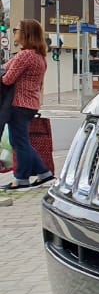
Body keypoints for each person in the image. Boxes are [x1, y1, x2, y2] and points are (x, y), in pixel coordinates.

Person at [2, 19, 54, 190]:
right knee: (20, 141)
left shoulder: (25, 55)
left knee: (19, 143)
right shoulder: (40, 57)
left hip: (19, 104)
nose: (14, 32)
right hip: (30, 104)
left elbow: (7, 79)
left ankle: (21, 179)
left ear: (26, 33)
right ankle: (44, 173)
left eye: (16, 30)